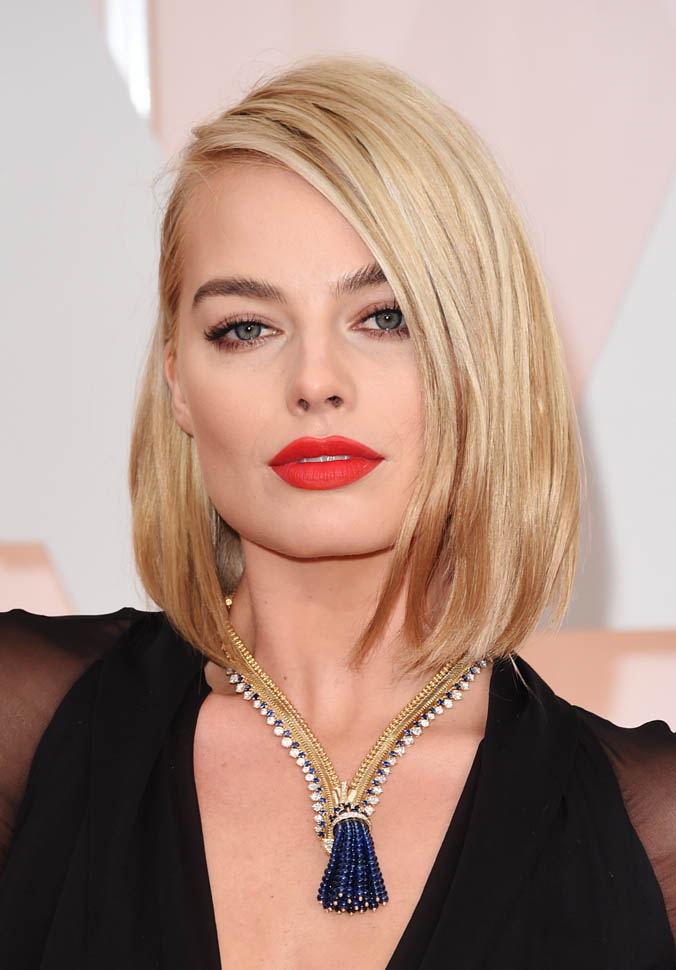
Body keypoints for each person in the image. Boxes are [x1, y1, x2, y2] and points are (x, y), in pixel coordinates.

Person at [0, 54, 674, 969]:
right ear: (178, 382)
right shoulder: (26, 729)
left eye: (384, 317)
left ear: (483, 361)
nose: (315, 381)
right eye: (246, 327)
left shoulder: (650, 832)